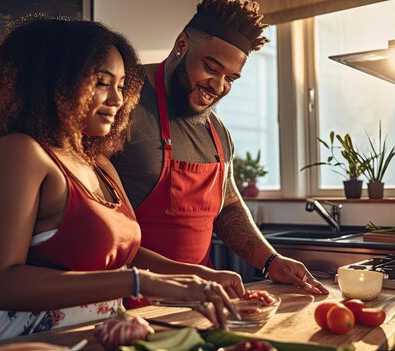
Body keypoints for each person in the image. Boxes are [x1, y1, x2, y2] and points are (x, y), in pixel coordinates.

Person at [0, 15, 244, 346]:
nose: (117, 99)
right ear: (54, 79)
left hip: (100, 336)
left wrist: (200, 276)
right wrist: (137, 284)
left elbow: (127, 254)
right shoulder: (20, 153)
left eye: (121, 85)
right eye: (102, 82)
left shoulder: (98, 163)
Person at [111, 0, 329, 295]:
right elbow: (92, 221)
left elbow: (228, 207)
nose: (219, 86)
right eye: (211, 67)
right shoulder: (118, 103)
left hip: (201, 302)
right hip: (124, 302)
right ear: (181, 44)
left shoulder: (217, 131)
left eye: (231, 78)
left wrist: (270, 260)